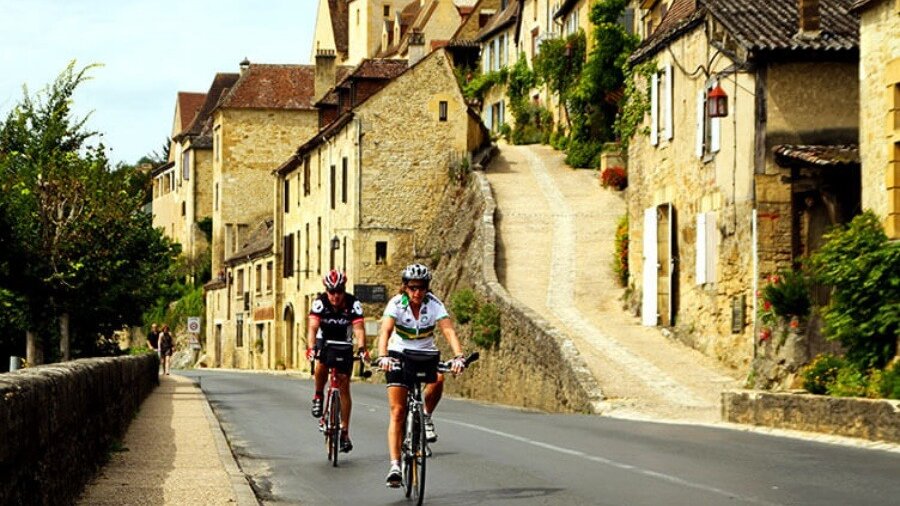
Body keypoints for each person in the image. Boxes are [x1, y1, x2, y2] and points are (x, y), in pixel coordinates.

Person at [375, 263, 467, 487]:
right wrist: (383, 356)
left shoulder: (433, 304)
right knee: (397, 411)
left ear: (427, 288)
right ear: (405, 287)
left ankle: (425, 415)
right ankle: (395, 466)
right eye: (413, 288)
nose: (417, 292)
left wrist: (459, 356)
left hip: (425, 353)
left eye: (422, 288)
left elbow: (448, 330)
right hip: (399, 352)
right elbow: (385, 331)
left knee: (439, 379)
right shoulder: (396, 303)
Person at [306, 270, 367, 453]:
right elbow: (312, 327)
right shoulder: (320, 303)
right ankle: (318, 395)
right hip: (324, 340)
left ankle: (345, 432)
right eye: (331, 292)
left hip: (343, 342)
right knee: (322, 364)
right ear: (326, 291)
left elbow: (359, 329)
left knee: (344, 385)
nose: (335, 296)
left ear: (344, 290)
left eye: (339, 291)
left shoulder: (353, 303)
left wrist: (362, 349)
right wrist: (310, 348)